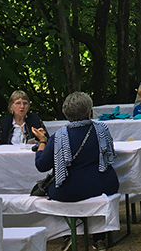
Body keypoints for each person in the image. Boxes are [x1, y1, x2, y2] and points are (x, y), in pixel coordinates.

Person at [32, 92, 118, 251]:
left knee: (57, 191)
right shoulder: (102, 129)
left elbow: (41, 165)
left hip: (69, 189)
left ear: (66, 113)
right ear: (88, 112)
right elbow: (110, 153)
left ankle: (68, 235)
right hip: (103, 183)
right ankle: (99, 238)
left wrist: (42, 143)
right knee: (91, 190)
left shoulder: (59, 136)